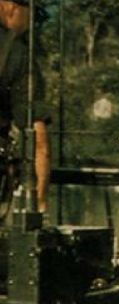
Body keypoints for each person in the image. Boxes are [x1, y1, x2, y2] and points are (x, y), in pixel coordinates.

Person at [0, 0, 49, 214]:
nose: (30, 24)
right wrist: (39, 205)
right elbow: (40, 143)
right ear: (12, 8)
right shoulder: (17, 55)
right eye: (32, 15)